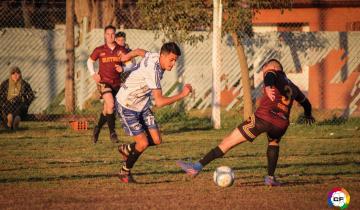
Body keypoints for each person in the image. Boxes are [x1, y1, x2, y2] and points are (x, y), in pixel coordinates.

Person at [177, 59, 315, 186]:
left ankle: (196, 167)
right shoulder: (293, 87)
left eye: (265, 70)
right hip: (281, 124)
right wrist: (308, 115)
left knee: (228, 142)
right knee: (273, 143)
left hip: (263, 118)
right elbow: (306, 103)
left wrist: (268, 86)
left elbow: (270, 75)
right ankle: (270, 178)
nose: (264, 74)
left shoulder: (274, 73)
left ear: (273, 67)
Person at [115, 42, 193, 183]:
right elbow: (159, 102)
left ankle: (127, 149)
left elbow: (139, 50)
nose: (173, 63)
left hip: (142, 104)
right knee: (143, 143)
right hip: (127, 105)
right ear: (163, 56)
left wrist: (125, 56)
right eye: (171, 60)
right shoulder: (154, 71)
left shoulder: (155, 56)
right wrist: (182, 95)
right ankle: (124, 172)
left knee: (156, 140)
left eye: (175, 60)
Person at [87, 25, 126, 144]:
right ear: (104, 35)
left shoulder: (121, 50)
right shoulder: (99, 49)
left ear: (115, 35)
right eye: (108, 34)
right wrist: (94, 74)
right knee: (111, 104)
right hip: (103, 82)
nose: (110, 36)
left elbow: (131, 63)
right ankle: (112, 132)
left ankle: (97, 128)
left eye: (112, 34)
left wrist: (123, 68)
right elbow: (89, 61)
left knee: (108, 109)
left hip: (117, 84)